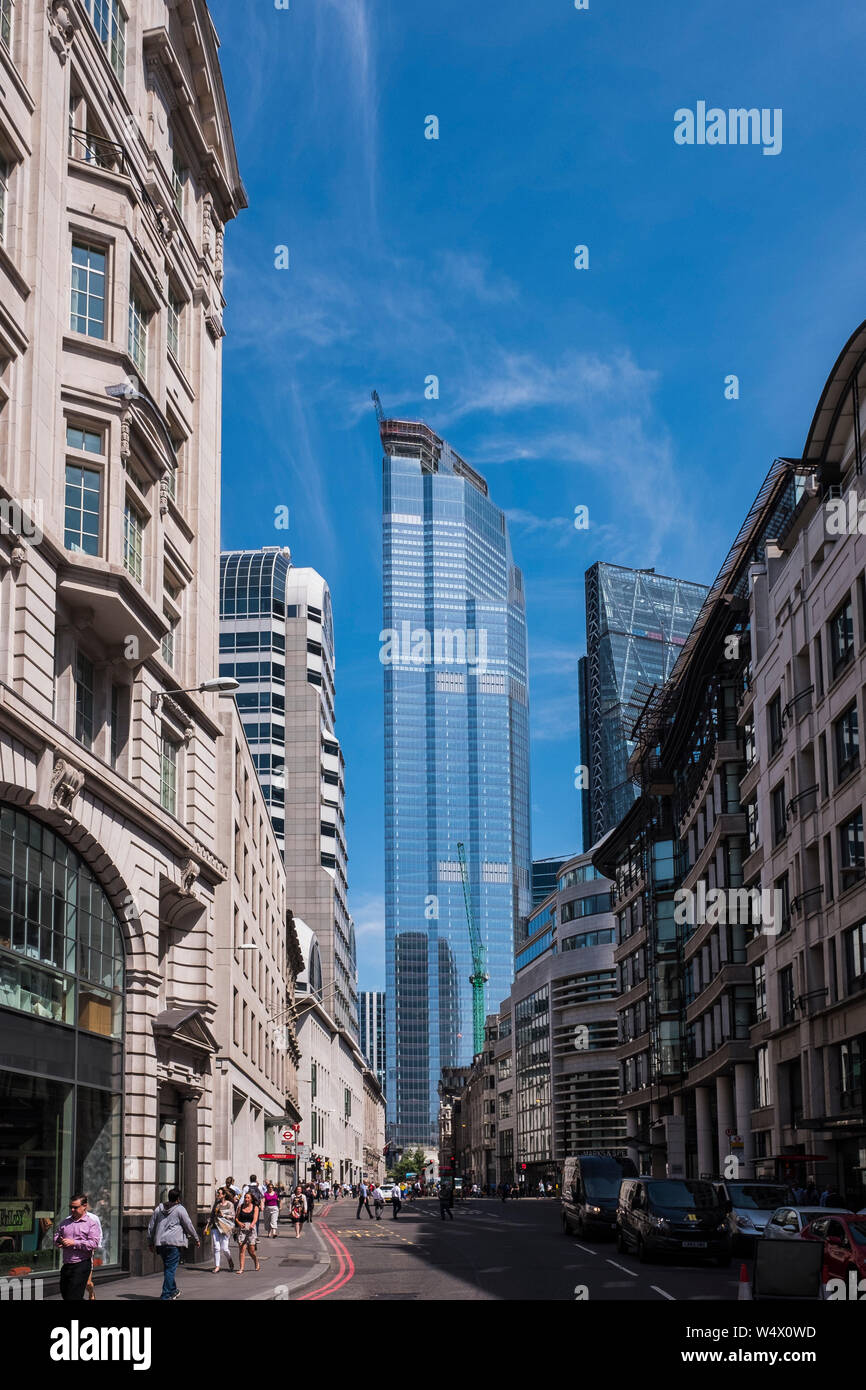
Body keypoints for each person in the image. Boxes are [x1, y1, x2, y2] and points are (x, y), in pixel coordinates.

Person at [147, 1189, 200, 1301]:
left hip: (161, 1243)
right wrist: (196, 1238)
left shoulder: (159, 1208)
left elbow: (151, 1226)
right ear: (178, 1198)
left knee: (168, 1268)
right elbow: (188, 1225)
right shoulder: (180, 1209)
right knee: (170, 1269)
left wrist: (150, 1241)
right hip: (173, 1243)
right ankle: (166, 1295)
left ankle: (174, 1290)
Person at [54, 1194, 101, 1301]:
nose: (72, 1209)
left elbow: (94, 1243)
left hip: (82, 1264)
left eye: (75, 1207)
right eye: (71, 1207)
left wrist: (74, 1243)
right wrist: (59, 1242)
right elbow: (57, 1235)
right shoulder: (65, 1222)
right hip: (67, 1264)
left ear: (84, 1206)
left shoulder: (91, 1223)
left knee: (73, 1296)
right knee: (65, 1294)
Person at [209, 1187, 236, 1273]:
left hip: (225, 1227)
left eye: (219, 1193)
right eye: (217, 1193)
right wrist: (207, 1226)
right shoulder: (216, 1204)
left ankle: (229, 1259)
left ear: (224, 1195)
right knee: (216, 1247)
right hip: (215, 1227)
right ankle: (217, 1266)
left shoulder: (230, 1204)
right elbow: (212, 1215)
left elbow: (232, 1216)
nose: (217, 1195)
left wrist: (223, 1215)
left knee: (225, 1249)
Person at [234, 1189, 261, 1273]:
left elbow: (255, 1218)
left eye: (248, 1198)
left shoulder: (255, 1207)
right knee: (242, 1249)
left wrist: (252, 1224)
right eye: (245, 1197)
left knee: (251, 1250)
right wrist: (239, 1223)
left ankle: (256, 1261)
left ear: (251, 1199)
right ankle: (241, 1268)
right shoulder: (240, 1207)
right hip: (242, 1229)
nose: (246, 1199)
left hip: (251, 1229)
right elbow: (236, 1218)